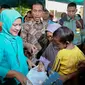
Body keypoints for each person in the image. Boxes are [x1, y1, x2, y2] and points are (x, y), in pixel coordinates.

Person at [0, 9, 35, 85]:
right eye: (14, 25)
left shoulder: (18, 39)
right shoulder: (1, 41)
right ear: (6, 23)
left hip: (23, 79)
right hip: (8, 82)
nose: (18, 28)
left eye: (19, 25)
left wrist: (27, 60)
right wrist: (15, 74)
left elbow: (18, 55)